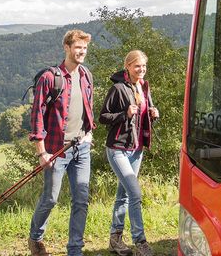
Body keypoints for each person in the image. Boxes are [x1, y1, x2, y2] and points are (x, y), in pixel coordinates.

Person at [28, 29, 95, 256]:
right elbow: (37, 115)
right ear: (66, 47)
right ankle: (35, 238)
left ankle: (75, 250)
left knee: (81, 200)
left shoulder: (86, 75)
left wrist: (89, 133)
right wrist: (41, 152)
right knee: (50, 199)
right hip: (57, 149)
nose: (82, 52)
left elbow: (88, 106)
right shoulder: (50, 78)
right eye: (78, 47)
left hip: (81, 147)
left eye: (84, 48)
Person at [99, 50, 160, 256]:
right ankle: (140, 241)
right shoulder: (117, 88)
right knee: (135, 193)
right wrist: (124, 114)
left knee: (123, 195)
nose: (141, 69)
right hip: (117, 148)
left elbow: (143, 116)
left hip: (136, 149)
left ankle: (115, 239)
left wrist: (153, 113)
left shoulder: (143, 86)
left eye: (143, 66)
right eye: (137, 66)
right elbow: (103, 117)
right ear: (128, 67)